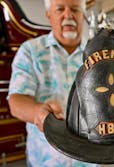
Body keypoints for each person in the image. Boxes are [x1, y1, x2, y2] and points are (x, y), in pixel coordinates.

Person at [7, 0, 98, 166]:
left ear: (82, 15)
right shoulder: (30, 51)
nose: (68, 15)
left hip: (90, 160)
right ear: (49, 15)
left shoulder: (96, 56)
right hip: (44, 161)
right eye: (60, 9)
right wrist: (38, 113)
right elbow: (16, 101)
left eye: (75, 9)